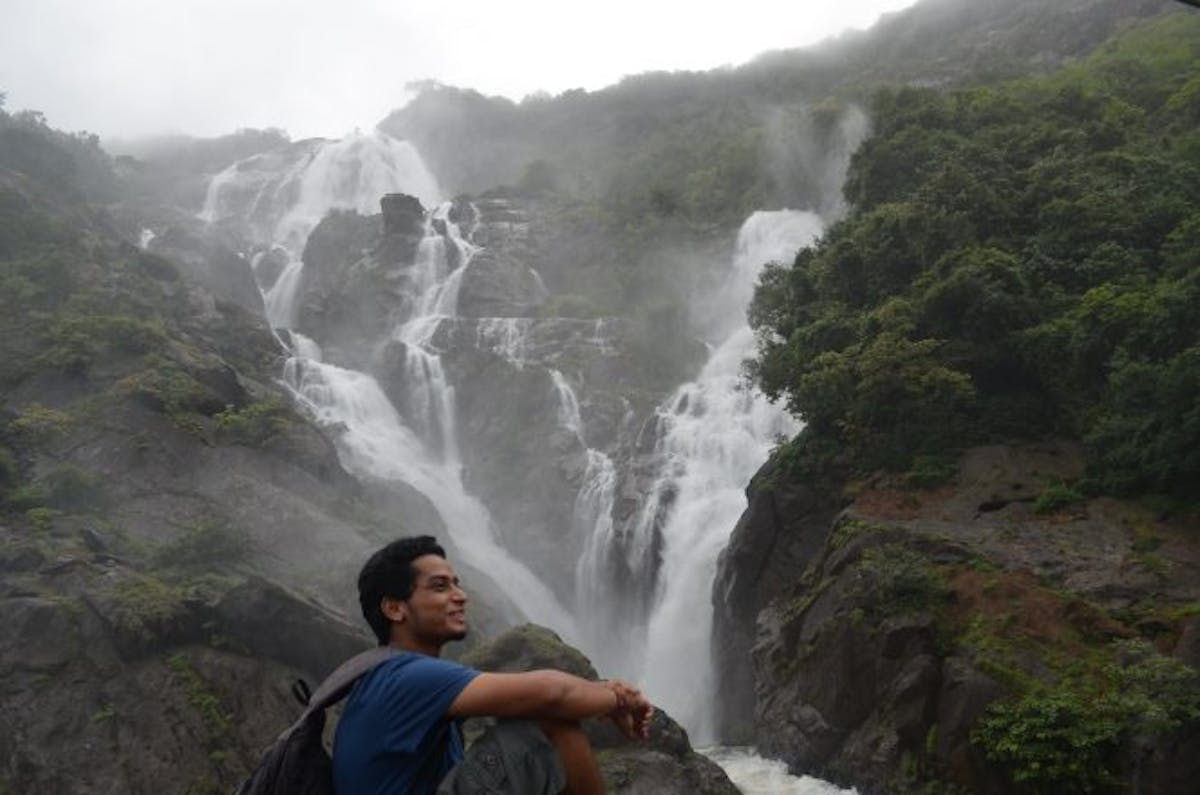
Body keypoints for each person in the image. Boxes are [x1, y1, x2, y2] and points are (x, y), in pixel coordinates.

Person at [332, 535, 654, 794]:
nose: (461, 596)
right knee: (551, 722)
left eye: (457, 584)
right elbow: (552, 693)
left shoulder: (390, 675)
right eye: (440, 586)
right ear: (394, 608)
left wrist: (605, 691)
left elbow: (529, 696)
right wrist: (621, 699)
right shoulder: (405, 676)